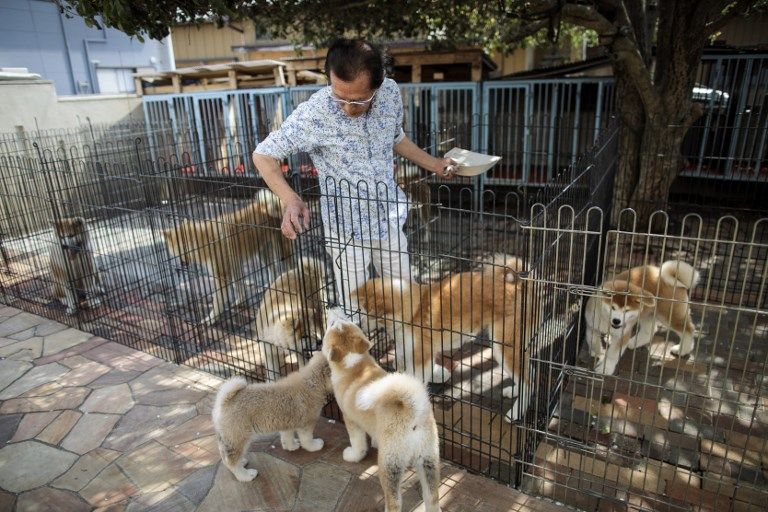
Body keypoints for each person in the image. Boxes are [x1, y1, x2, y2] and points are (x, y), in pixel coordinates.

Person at [252, 38, 456, 310]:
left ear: (379, 84)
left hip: (388, 217)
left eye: (360, 100)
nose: (348, 108)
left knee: (407, 300)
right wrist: (290, 199)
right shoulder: (315, 112)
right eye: (340, 97)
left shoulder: (391, 94)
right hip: (345, 230)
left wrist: (435, 164)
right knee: (354, 308)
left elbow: (395, 138)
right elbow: (263, 155)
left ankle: (410, 352)